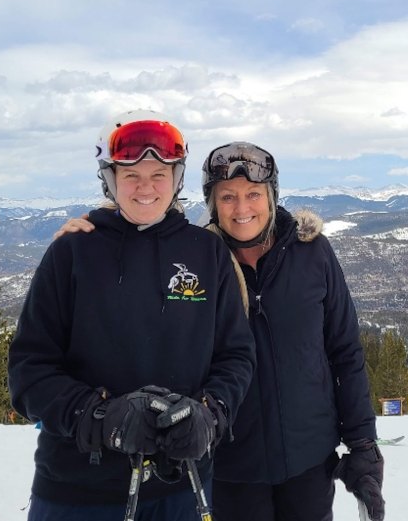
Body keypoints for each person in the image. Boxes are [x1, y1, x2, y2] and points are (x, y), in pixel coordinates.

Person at [57, 141, 385, 521]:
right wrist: (95, 232)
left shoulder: (312, 254)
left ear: (271, 195)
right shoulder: (201, 261)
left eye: (253, 195)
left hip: (310, 463)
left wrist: (362, 444)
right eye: (227, 197)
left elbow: (345, 351)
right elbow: (142, 246)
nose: (242, 208)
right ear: (212, 203)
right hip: (230, 466)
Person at [8, 111, 255, 521]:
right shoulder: (72, 253)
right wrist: (100, 417)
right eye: (131, 175)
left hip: (182, 487)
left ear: (176, 179)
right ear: (110, 179)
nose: (146, 187)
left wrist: (209, 414)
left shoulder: (206, 254)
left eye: (159, 173)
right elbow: (29, 371)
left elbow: (236, 356)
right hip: (78, 492)